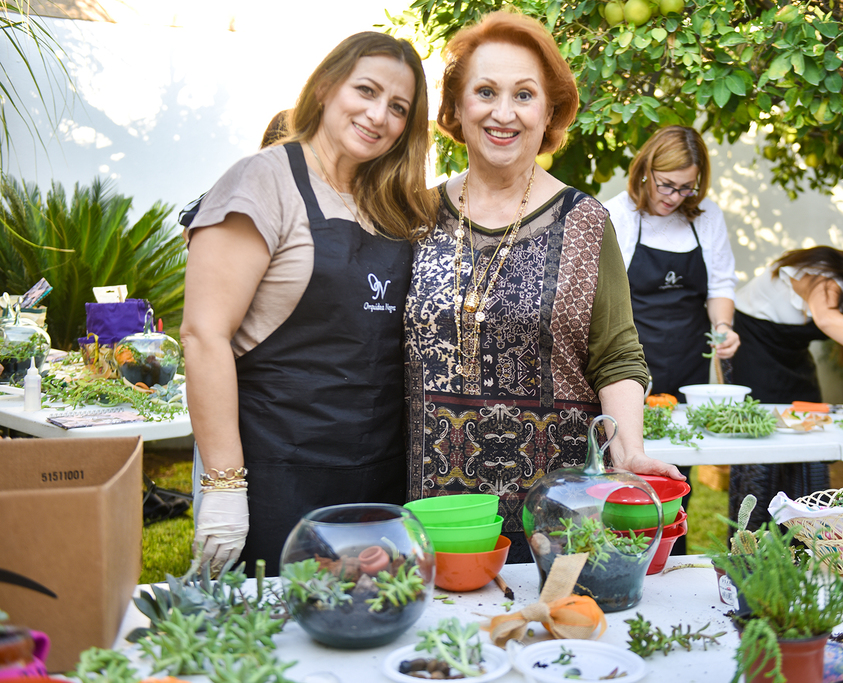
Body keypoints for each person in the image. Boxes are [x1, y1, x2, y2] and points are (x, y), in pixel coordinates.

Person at [404, 11, 683, 564]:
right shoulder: (414, 213)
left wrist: (630, 451)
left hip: (556, 515)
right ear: (456, 108)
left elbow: (617, 354)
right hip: (435, 513)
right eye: (484, 92)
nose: (502, 113)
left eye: (524, 95)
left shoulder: (585, 221)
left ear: (549, 110)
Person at [181, 32, 436, 576]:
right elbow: (204, 335)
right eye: (364, 91)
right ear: (324, 87)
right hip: (279, 473)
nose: (378, 115)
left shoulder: (390, 203)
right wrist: (224, 487)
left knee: (370, 626)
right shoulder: (261, 181)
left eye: (398, 107)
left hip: (376, 477)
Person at [605, 125, 739, 553]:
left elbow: (720, 284)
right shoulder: (618, 216)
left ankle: (672, 554)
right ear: (645, 171)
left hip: (686, 360)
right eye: (666, 184)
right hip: (628, 364)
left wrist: (723, 328)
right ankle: (624, 550)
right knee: (628, 461)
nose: (674, 196)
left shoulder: (706, 217)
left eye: (686, 188)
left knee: (678, 467)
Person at [728, 239, 843, 530]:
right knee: (762, 451)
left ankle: (806, 542)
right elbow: (827, 319)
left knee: (813, 440)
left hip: (793, 355)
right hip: (751, 347)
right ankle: (749, 546)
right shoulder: (822, 276)